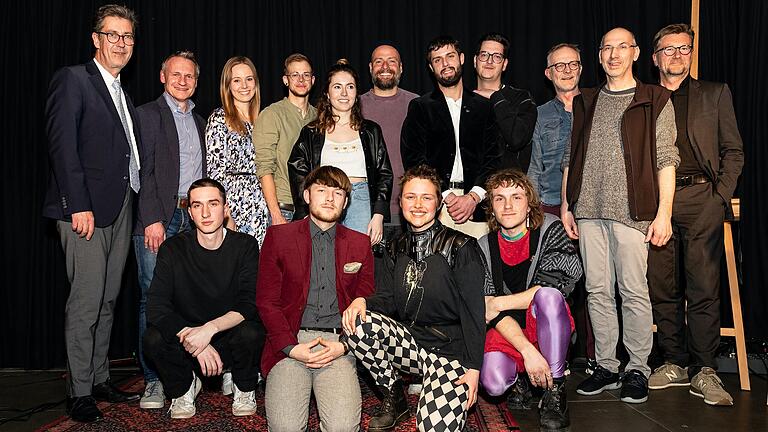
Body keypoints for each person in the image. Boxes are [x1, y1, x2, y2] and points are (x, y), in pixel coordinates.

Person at [561, 27, 679, 404]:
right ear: (599, 57)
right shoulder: (586, 100)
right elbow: (570, 157)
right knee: (596, 291)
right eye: (607, 48)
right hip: (589, 211)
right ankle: (607, 366)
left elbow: (666, 160)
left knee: (633, 291)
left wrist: (664, 214)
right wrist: (567, 205)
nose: (614, 54)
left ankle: (638, 369)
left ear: (636, 53)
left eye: (621, 47)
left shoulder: (654, 98)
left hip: (633, 212)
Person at [42, 4, 142, 422]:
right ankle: (79, 390)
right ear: (96, 39)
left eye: (128, 37)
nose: (121, 43)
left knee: (107, 298)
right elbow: (63, 148)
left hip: (120, 206)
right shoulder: (74, 80)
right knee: (85, 300)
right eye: (113, 35)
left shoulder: (121, 90)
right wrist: (77, 205)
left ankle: (99, 378)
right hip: (84, 210)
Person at [344, 165, 487, 432]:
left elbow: (474, 313)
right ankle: (394, 396)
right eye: (410, 197)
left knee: (433, 428)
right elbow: (388, 299)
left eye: (426, 197)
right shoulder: (395, 245)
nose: (418, 205)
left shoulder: (461, 247)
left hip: (448, 350)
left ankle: (439, 392)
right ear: (400, 202)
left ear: (439, 202)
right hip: (409, 343)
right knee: (357, 323)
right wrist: (363, 301)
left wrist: (474, 368)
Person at [647, 23, 744, 406]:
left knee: (703, 284)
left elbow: (733, 151)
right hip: (656, 201)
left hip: (702, 196)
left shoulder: (715, 94)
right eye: (668, 49)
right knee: (662, 285)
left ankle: (705, 369)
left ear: (691, 53)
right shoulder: (644, 97)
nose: (676, 56)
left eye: (683, 49)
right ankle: (674, 361)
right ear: (654, 57)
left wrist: (719, 198)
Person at [257, 166, 375, 431]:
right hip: (289, 341)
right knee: (286, 427)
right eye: (322, 190)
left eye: (338, 193)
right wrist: (291, 347)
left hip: (338, 344)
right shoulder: (279, 237)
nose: (330, 198)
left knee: (343, 427)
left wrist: (345, 345)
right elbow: (266, 301)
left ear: (346, 202)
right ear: (307, 195)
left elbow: (368, 299)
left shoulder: (360, 244)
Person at [143, 178, 265, 419]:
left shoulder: (245, 245)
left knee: (252, 330)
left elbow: (249, 303)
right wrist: (196, 342)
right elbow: (157, 307)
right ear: (189, 212)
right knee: (153, 337)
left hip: (228, 336)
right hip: (188, 343)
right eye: (197, 206)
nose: (206, 213)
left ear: (226, 208)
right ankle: (183, 387)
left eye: (213, 204)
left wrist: (209, 330)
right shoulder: (173, 248)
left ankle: (244, 386)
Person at [477, 169, 582, 432]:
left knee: (546, 295)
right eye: (499, 198)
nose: (508, 205)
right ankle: (519, 379)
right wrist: (527, 350)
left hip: (547, 323)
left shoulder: (551, 229)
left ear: (530, 203)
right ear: (491, 207)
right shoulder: (482, 246)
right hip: (509, 331)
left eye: (516, 196)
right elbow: (490, 313)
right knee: (493, 383)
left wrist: (499, 303)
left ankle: (555, 390)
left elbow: (552, 286)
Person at [133, 50, 207, 409]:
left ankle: (185, 372)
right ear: (163, 77)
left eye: (189, 76)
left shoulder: (201, 120)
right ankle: (153, 380)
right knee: (152, 297)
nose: (182, 81)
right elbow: (141, 171)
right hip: (158, 218)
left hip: (192, 219)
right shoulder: (146, 115)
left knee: (188, 298)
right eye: (176, 74)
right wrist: (151, 218)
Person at [401, 36, 501, 239]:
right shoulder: (421, 107)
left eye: (450, 56)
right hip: (437, 207)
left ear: (462, 58)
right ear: (431, 67)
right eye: (437, 60)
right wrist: (447, 196)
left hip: (478, 208)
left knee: (480, 269)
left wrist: (473, 197)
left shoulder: (484, 107)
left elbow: (494, 156)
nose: (445, 64)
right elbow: (414, 158)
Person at [288, 59, 393, 244]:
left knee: (356, 261)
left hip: (361, 199)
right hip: (324, 199)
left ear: (356, 93)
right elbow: (297, 169)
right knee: (322, 260)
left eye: (350, 87)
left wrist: (378, 214)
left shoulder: (371, 131)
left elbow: (384, 174)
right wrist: (305, 210)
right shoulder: (311, 132)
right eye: (337, 87)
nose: (344, 93)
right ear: (327, 93)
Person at [205, 56, 269, 246]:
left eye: (249, 79)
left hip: (261, 204)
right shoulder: (219, 119)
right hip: (234, 204)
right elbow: (215, 172)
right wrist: (225, 214)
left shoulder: (264, 120)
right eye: (236, 80)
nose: (244, 85)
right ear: (228, 86)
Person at [254, 53, 317, 225]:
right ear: (285, 80)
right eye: (294, 75)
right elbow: (264, 167)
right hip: (284, 209)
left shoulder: (319, 116)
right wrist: (275, 214)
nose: (301, 79)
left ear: (313, 80)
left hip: (315, 210)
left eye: (306, 75)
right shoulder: (271, 115)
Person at [359, 44, 419, 219]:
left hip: (411, 208)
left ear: (401, 68)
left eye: (391, 61)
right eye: (379, 62)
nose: (385, 67)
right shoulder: (355, 106)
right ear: (371, 68)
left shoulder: (416, 104)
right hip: (365, 210)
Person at [529, 43, 582, 216]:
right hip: (551, 205)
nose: (567, 70)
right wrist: (533, 209)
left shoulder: (596, 107)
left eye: (573, 64)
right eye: (559, 66)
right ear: (548, 73)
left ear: (580, 69)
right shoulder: (539, 115)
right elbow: (535, 168)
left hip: (591, 207)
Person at [473, 32, 537, 172]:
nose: (489, 61)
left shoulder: (521, 99)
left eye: (497, 56)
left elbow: (517, 139)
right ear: (475, 61)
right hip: (470, 190)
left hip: (507, 189)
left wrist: (496, 97)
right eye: (484, 55)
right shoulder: (464, 100)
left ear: (504, 64)